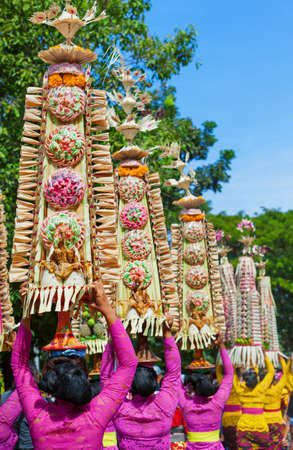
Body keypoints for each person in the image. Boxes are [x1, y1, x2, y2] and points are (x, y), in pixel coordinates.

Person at [11, 281, 138, 450]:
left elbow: (19, 365)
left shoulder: (38, 415)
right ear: (84, 377)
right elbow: (129, 364)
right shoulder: (96, 414)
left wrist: (26, 311)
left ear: (50, 377)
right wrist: (107, 310)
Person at [100, 314, 181, 449]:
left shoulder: (120, 408)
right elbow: (174, 372)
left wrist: (111, 340)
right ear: (155, 382)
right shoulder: (165, 404)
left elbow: (105, 377)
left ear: (130, 387)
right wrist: (167, 332)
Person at [178, 333, 233, 449]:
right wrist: (221, 346)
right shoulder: (217, 403)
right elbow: (229, 375)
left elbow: (174, 375)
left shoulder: (186, 404)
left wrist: (177, 347)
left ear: (193, 388)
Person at [234, 352, 274, 449]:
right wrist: (264, 355)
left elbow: (233, 377)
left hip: (243, 429)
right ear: (257, 381)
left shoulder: (240, 391)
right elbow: (271, 372)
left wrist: (235, 364)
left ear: (245, 380)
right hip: (260, 428)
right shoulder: (261, 389)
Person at [264, 356, 288, 449]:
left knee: (265, 443)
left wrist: (263, 356)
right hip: (276, 419)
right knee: (276, 443)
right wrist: (282, 359)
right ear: (274, 380)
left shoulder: (261, 389)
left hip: (264, 419)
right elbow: (285, 373)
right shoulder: (278, 389)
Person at [216, 364, 242, 450]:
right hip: (239, 417)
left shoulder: (223, 383)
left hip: (226, 417)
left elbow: (218, 372)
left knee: (230, 444)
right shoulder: (240, 384)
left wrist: (220, 361)